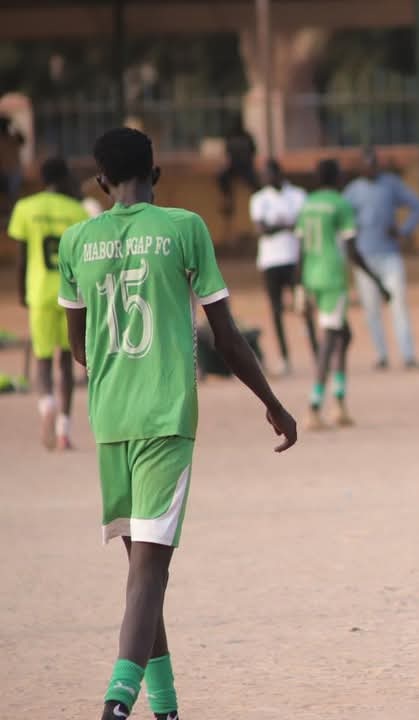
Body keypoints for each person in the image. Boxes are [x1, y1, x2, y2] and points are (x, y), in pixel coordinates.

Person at [56, 127, 297, 720]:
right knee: (149, 572)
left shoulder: (76, 241)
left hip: (110, 417)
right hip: (165, 414)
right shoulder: (184, 228)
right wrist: (272, 402)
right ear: (156, 175)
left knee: (143, 570)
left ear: (100, 181)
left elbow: (79, 349)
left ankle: (165, 706)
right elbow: (226, 336)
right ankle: (117, 702)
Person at [296, 158, 389, 431]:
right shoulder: (340, 204)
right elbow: (352, 250)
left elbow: (300, 248)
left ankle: (339, 403)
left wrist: (298, 284)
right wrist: (377, 281)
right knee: (330, 340)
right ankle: (314, 406)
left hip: (311, 276)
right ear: (337, 178)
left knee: (344, 336)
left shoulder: (308, 204)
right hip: (332, 278)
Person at [8, 156, 89, 449]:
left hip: (40, 291)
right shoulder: (77, 211)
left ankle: (46, 405)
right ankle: (64, 429)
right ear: (66, 178)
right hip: (71, 294)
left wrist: (22, 293)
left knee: (42, 359)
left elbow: (22, 257)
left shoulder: (26, 208)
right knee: (66, 361)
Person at [343, 145, 419, 369]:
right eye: (367, 165)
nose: (371, 168)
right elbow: (343, 226)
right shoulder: (352, 191)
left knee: (399, 304)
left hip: (390, 255)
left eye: (374, 164)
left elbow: (418, 206)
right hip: (364, 259)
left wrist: (404, 230)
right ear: (361, 167)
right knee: (371, 309)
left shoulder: (391, 184)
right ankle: (381, 356)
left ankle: (408, 355)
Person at [249, 158, 315, 375]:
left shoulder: (298, 195)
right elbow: (261, 230)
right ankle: (285, 358)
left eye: (267, 174)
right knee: (276, 311)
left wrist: (276, 226)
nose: (264, 178)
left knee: (303, 307)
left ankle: (316, 353)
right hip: (270, 261)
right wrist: (288, 226)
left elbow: (305, 226)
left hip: (295, 260)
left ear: (278, 174)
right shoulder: (259, 199)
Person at [217, 119, 258, 217]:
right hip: (234, 166)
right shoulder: (231, 136)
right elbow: (227, 153)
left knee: (257, 185)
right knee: (222, 177)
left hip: (246, 167)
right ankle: (227, 200)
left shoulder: (247, 137)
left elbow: (253, 151)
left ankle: (259, 203)